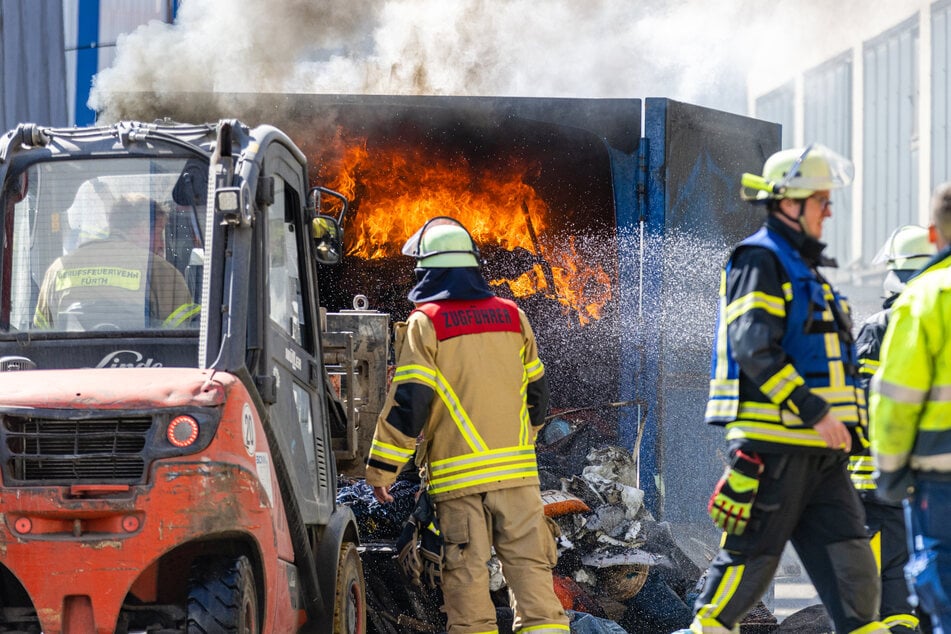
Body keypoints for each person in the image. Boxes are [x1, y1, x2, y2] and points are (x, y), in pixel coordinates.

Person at [677, 144, 889, 634]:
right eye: (821, 200)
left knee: (855, 579)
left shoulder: (806, 271)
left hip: (823, 455)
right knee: (747, 569)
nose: (830, 210)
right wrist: (817, 412)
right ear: (788, 203)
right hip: (775, 447)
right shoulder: (760, 260)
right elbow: (755, 349)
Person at [364, 216, 569, 634]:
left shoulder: (427, 324)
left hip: (460, 485)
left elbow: (410, 403)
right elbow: (538, 395)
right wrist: (519, 441)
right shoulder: (513, 317)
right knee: (535, 589)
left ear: (428, 271)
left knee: (468, 593)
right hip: (519, 481)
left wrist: (381, 469)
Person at [870, 181, 951, 634]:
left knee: (940, 582)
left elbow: (895, 401)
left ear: (935, 233)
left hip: (939, 477)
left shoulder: (924, 299)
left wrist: (891, 471)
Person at [851, 225, 936, 633]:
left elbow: (862, 407)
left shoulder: (879, 326)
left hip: (878, 487)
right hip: (931, 483)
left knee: (878, 596)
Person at [34, 192, 199, 330]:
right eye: (159, 232)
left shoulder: (57, 270)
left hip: (70, 366)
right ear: (142, 228)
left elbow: (40, 333)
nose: (162, 245)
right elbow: (186, 337)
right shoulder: (162, 272)